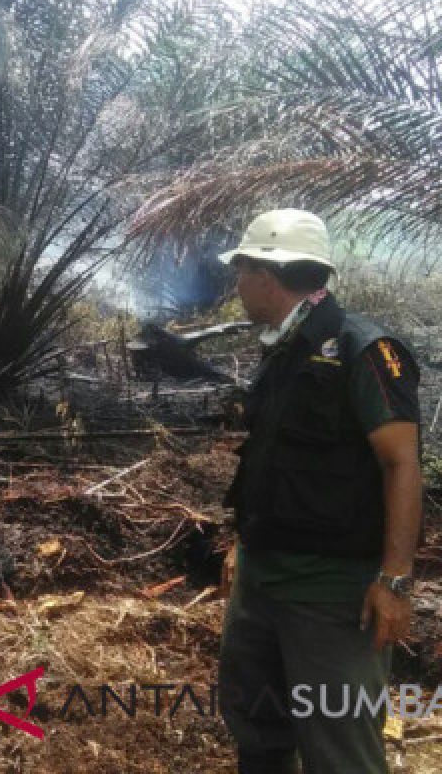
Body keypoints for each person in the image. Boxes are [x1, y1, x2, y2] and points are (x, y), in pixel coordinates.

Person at [217, 208, 422, 774]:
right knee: (259, 728)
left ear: (269, 273)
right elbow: (269, 460)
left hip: (330, 594)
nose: (237, 285)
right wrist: (245, 544)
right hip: (261, 584)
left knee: (340, 750)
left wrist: (395, 580)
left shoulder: (364, 350)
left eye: (242, 270)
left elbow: (402, 464)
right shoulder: (282, 351)